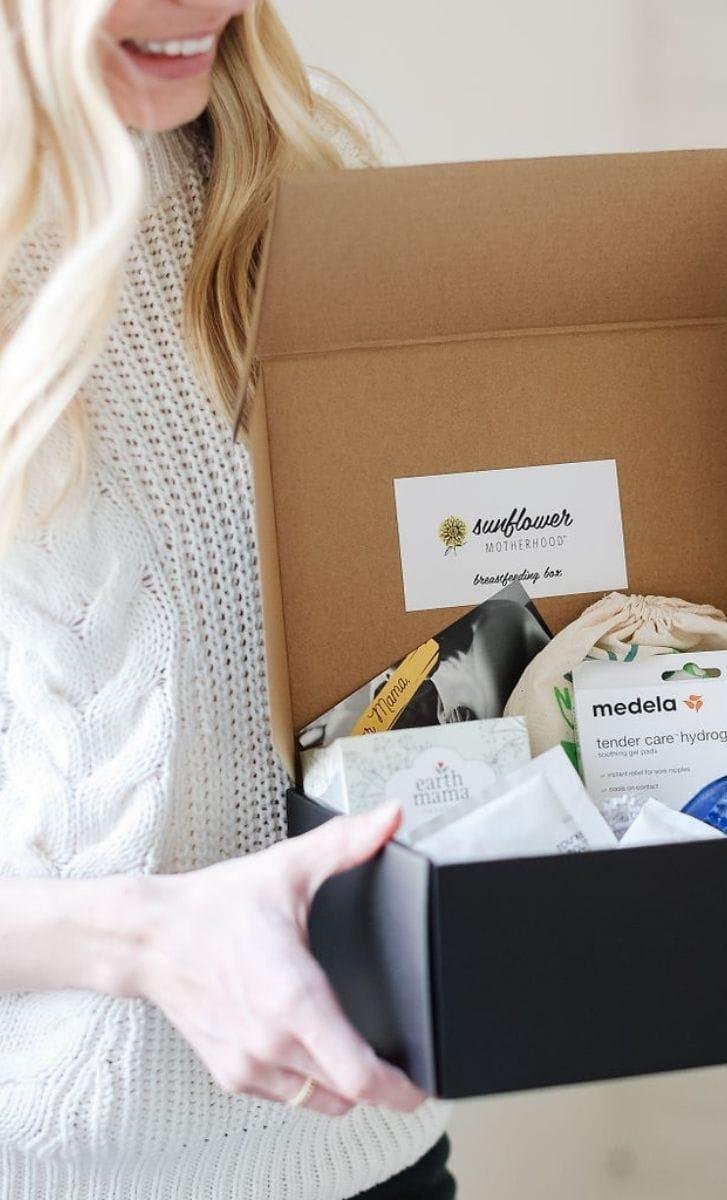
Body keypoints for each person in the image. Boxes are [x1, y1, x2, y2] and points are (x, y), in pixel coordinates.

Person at [0, 2, 453, 1197]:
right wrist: (146, 938)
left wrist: (655, 704)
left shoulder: (303, 190)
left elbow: (411, 636)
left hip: (372, 1147)